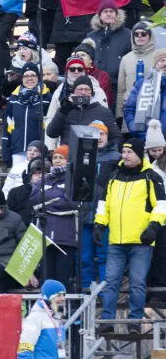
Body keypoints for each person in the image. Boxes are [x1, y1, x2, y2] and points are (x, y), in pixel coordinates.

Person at [95, 137, 165, 332]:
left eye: (129, 152)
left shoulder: (151, 176)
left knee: (137, 283)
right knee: (111, 284)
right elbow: (104, 205)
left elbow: (161, 205)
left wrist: (153, 227)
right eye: (123, 152)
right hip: (116, 240)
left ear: (139, 155)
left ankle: (134, 322)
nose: (124, 155)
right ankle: (107, 322)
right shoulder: (114, 175)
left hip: (140, 242)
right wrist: (99, 225)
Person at [30, 144, 80, 292]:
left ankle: (67, 313)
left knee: (64, 279)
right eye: (55, 157)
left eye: (62, 158)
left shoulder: (73, 180)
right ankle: (48, 312)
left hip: (66, 237)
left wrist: (46, 202)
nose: (57, 160)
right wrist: (57, 197)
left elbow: (71, 202)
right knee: (47, 279)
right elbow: (34, 200)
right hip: (45, 236)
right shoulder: (43, 180)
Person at [47, 75, 120, 149]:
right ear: (73, 91)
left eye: (87, 89)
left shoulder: (103, 112)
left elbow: (117, 139)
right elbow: (51, 133)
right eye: (80, 89)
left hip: (93, 156)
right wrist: (62, 112)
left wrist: (103, 148)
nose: (83, 92)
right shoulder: (65, 110)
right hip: (68, 156)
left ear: (92, 92)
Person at [19, 279, 69, 359]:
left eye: (64, 295)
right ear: (48, 297)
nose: (63, 298)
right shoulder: (35, 318)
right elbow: (24, 351)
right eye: (59, 295)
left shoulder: (56, 318)